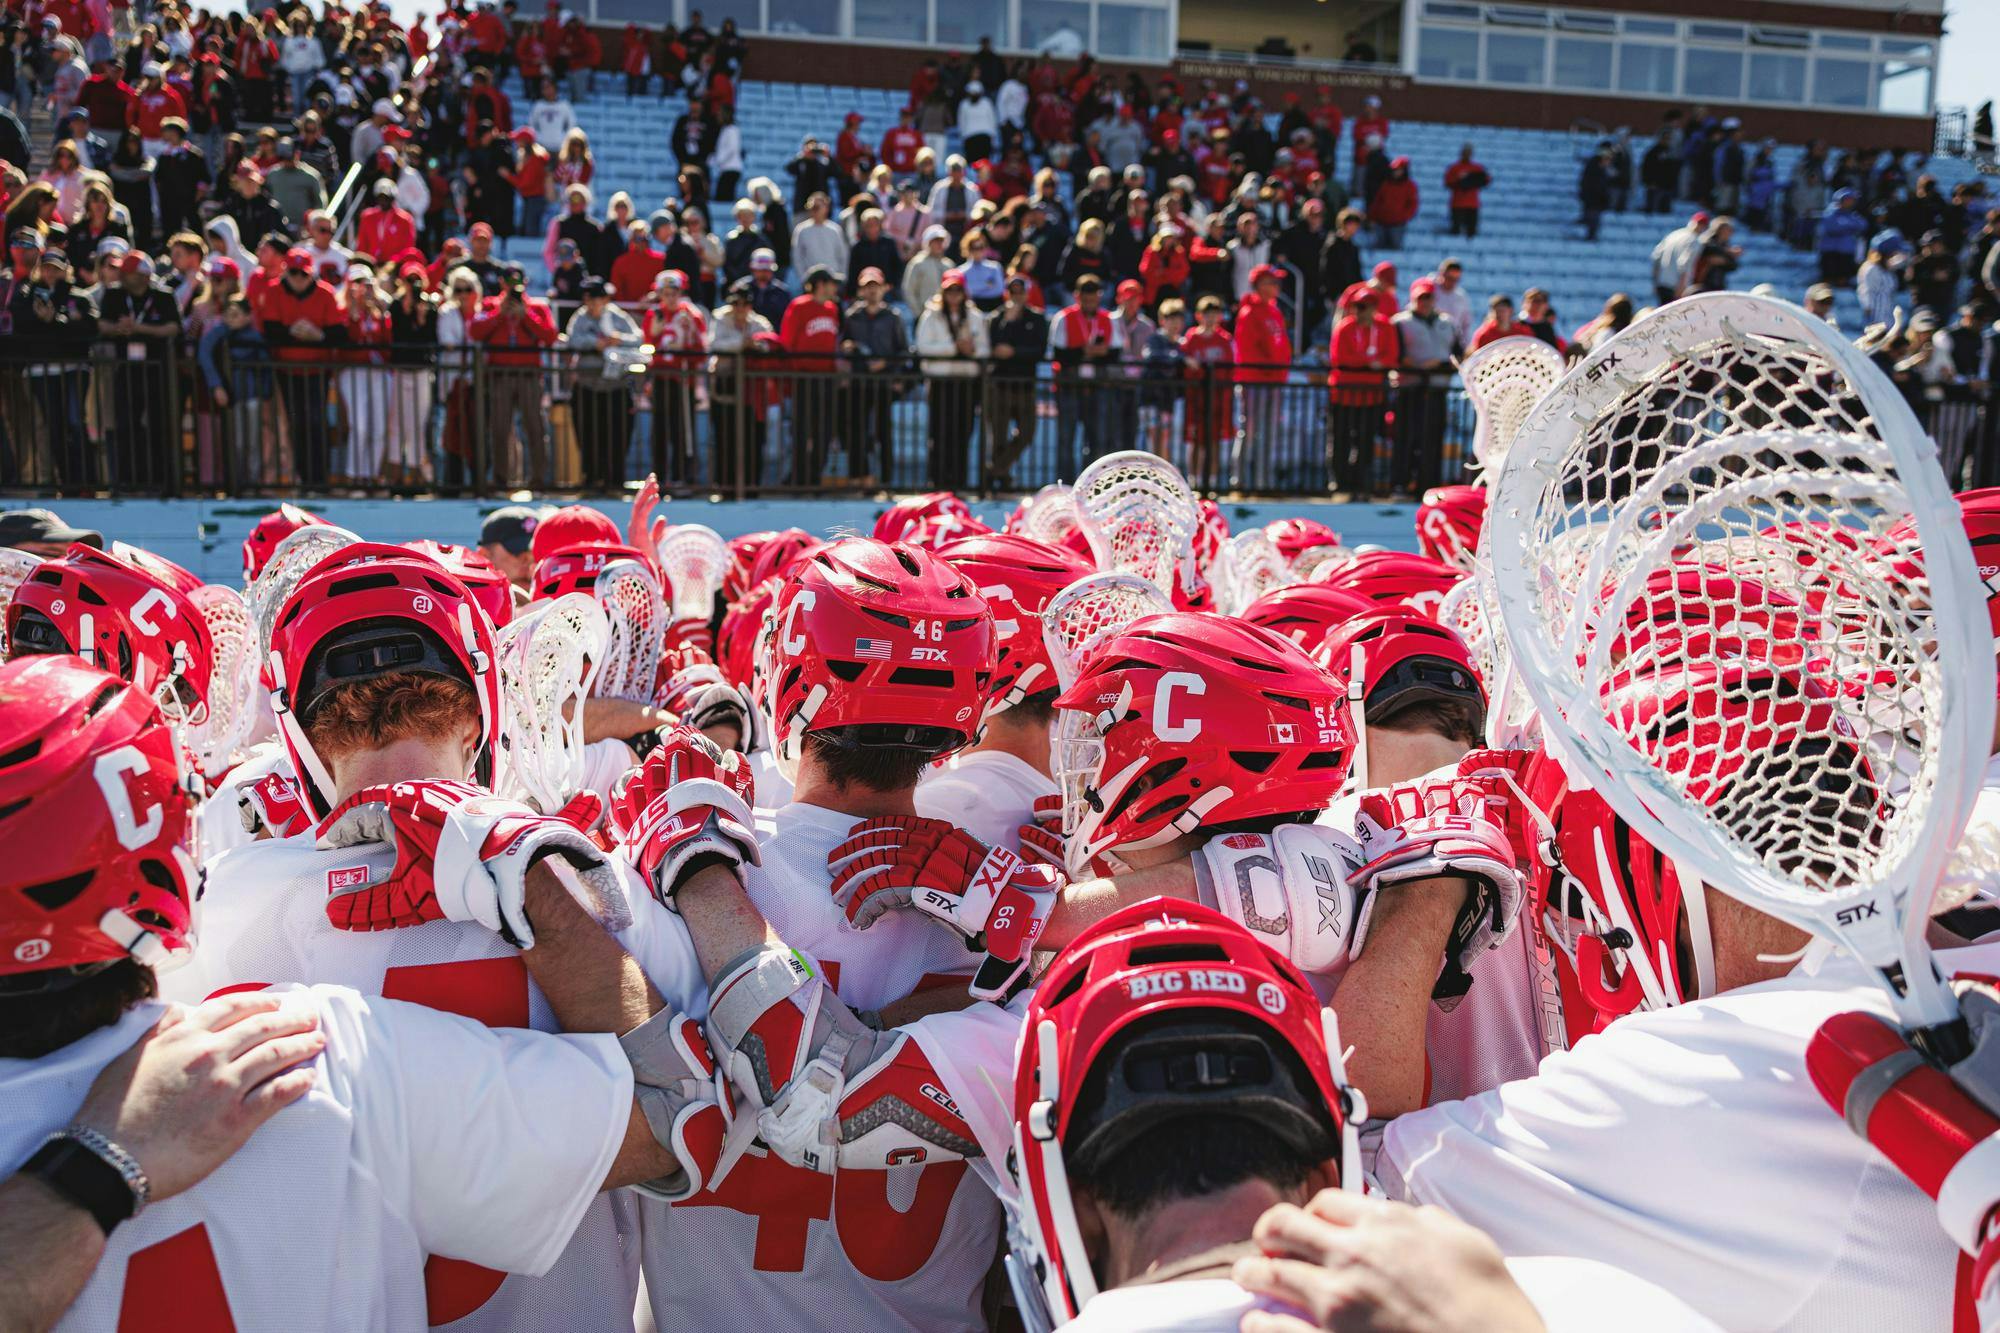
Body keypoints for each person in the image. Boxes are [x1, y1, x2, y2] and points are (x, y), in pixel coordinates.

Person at [95, 250, 180, 490]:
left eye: (128, 272)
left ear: (143, 276)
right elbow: (102, 324)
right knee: (125, 423)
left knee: (158, 423)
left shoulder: (163, 296)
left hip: (157, 370)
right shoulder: (113, 294)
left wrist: (140, 328)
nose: (122, 275)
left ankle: (160, 479)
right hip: (126, 369)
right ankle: (127, 479)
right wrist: (118, 329)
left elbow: (173, 328)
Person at [469, 268, 560, 487]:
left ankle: (538, 479)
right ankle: (501, 478)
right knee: (499, 427)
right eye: (509, 282)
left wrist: (525, 315)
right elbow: (476, 331)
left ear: (525, 283)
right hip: (500, 374)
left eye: (517, 283)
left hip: (528, 374)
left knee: (535, 427)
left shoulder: (537, 307)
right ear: (502, 282)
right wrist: (500, 314)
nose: (513, 287)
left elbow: (550, 336)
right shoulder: (491, 305)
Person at [562, 276, 642, 491]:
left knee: (617, 434)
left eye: (598, 297)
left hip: (615, 387)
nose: (594, 302)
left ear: (605, 298)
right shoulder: (580, 318)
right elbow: (572, 340)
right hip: (588, 386)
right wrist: (595, 343)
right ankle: (591, 477)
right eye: (589, 297)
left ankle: (614, 479)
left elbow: (638, 338)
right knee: (588, 434)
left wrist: (618, 339)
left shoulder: (617, 317)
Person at [916, 270, 987, 490]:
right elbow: (923, 347)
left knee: (963, 434)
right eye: (950, 290)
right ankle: (937, 482)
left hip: (966, 383)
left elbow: (985, 350)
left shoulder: (975, 317)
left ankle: (959, 482)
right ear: (943, 292)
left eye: (958, 290)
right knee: (939, 433)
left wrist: (972, 350)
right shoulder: (931, 316)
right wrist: (954, 348)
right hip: (940, 382)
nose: (954, 295)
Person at [1390, 277, 1460, 497]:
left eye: (1429, 297)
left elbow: (1458, 354)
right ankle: (1401, 483)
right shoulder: (1400, 322)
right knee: (1406, 438)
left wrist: (1443, 365)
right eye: (1421, 298)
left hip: (1437, 389)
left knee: (1433, 439)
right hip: (1410, 389)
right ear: (1413, 298)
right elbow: (1396, 355)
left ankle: (1429, 484)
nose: (1425, 302)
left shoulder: (1448, 322)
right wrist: (1418, 366)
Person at [708, 277, 778, 492]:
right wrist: (742, 344)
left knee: (752, 438)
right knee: (725, 438)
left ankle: (751, 484)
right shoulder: (720, 319)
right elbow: (714, 344)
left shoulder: (759, 322)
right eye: (735, 303)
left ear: (750, 305)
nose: (740, 308)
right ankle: (725, 485)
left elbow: (770, 343)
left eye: (744, 304)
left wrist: (752, 346)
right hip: (724, 388)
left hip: (751, 391)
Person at [839, 266, 906, 488]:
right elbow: (843, 346)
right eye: (867, 287)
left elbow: (904, 351)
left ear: (884, 289)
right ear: (861, 290)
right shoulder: (852, 316)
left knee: (883, 432)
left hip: (883, 383)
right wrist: (847, 349)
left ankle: (885, 480)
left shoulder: (893, 317)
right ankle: (859, 477)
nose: (872, 291)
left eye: (875, 286)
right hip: (858, 381)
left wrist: (885, 364)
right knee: (856, 431)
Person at [643, 269, 709, 488]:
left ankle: (684, 476)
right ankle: (659, 478)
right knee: (659, 431)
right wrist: (654, 335)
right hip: (660, 378)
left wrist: (685, 348)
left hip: (682, 379)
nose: (670, 298)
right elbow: (646, 347)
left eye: (674, 293)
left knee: (682, 431)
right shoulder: (654, 315)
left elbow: (701, 349)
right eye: (665, 293)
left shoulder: (691, 315)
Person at [1327, 283, 1392, 498]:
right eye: (1358, 306)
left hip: (1371, 396)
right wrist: (1370, 363)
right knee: (1341, 439)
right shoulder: (1344, 327)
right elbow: (1340, 358)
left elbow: (1392, 357)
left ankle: (1361, 482)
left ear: (1375, 307)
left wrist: (1366, 364)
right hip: (1344, 395)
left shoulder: (1385, 327)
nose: (1360, 311)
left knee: (1365, 440)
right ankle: (1340, 482)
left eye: (1365, 306)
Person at [779, 265, 843, 484]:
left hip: (826, 379)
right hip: (804, 378)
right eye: (832, 283)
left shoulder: (832, 309)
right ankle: (797, 476)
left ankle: (815, 475)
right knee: (802, 429)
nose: (835, 288)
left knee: (824, 430)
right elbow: (787, 342)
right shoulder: (798, 306)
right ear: (820, 284)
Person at [1233, 262, 1293, 490]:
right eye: (1272, 282)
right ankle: (1239, 481)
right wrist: (1272, 368)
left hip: (1273, 381)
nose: (1277, 286)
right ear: (1259, 285)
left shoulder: (1275, 311)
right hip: (1255, 381)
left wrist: (1281, 370)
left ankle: (1263, 482)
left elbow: (1283, 347)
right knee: (1248, 431)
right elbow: (1248, 350)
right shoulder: (1248, 313)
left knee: (1269, 433)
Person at [985, 274, 1049, 488]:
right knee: (999, 436)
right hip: (1000, 383)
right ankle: (1002, 479)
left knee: (1027, 432)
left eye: (1020, 291)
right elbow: (992, 347)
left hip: (1024, 384)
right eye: (1013, 291)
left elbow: (1038, 350)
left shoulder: (1037, 318)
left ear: (1027, 293)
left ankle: (995, 470)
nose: (1017, 296)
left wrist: (1014, 352)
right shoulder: (997, 318)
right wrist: (1008, 322)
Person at [1049, 272, 1114, 479]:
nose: (1089, 302)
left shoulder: (1107, 318)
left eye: (1093, 298)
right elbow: (1058, 353)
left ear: (1099, 296)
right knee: (1066, 438)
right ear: (1077, 296)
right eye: (1085, 299)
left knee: (1097, 438)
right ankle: (1065, 483)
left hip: (1097, 386)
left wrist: (1087, 353)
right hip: (1069, 386)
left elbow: (1114, 353)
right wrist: (1086, 352)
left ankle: (1091, 483)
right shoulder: (1063, 318)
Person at [1444, 142, 1489, 238]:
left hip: (1472, 204)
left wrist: (1472, 179)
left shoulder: (1477, 168)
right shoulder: (1454, 168)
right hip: (1458, 203)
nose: (1467, 154)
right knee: (1455, 230)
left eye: (1469, 152)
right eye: (1465, 152)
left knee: (1472, 231)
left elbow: (1486, 180)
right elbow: (1448, 182)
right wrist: (1461, 180)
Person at [1579, 142, 1613, 242]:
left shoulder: (1601, 169)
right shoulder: (1593, 168)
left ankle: (1591, 234)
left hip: (1597, 200)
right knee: (1593, 217)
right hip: (1593, 199)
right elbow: (1590, 185)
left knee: (1594, 218)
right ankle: (1590, 235)